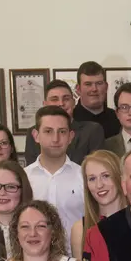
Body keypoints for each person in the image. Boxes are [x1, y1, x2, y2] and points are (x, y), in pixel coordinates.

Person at [25, 105, 84, 245]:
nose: (56, 138)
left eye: (62, 132)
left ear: (70, 137)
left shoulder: (85, 176)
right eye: (48, 131)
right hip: (32, 260)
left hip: (76, 259)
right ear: (36, 135)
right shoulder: (23, 177)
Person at [24, 79, 105, 165]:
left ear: (73, 103)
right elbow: (32, 170)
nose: (61, 103)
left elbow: (96, 167)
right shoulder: (34, 133)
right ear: (45, 104)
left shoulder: (92, 131)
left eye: (66, 99)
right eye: (54, 99)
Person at [70, 150, 128, 258]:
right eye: (92, 179)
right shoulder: (80, 229)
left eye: (105, 176)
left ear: (119, 177)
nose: (99, 185)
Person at [72, 61, 121, 139]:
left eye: (99, 83)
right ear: (78, 89)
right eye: (88, 84)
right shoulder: (70, 120)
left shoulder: (118, 118)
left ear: (106, 87)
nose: (94, 89)